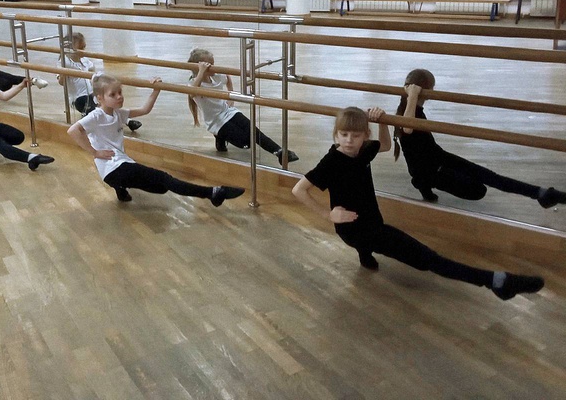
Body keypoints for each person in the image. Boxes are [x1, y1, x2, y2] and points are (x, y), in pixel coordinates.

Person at [292, 106, 545, 301]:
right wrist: (328, 215)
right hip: (356, 228)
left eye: (355, 135)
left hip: (370, 218)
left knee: (372, 241)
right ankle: (497, 282)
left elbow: (385, 145)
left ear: (364, 136)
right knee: (430, 259)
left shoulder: (362, 151)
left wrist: (382, 121)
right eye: (343, 135)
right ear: (335, 135)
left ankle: (365, 256)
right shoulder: (332, 162)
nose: (349, 140)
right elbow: (299, 190)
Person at [394, 68, 566, 208]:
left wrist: (412, 96)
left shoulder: (409, 108)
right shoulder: (407, 111)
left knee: (491, 177)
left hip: (438, 158)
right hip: (430, 170)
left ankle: (541, 193)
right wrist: (413, 96)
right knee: (478, 190)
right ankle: (422, 183)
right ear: (426, 90)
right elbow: (408, 127)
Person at [67, 73, 244, 206]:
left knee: (160, 188)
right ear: (99, 98)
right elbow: (73, 130)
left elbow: (145, 110)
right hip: (115, 168)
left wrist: (156, 90)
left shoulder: (119, 114)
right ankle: (212, 193)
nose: (119, 96)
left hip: (117, 167)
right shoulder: (97, 115)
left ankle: (120, 189)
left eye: (120, 92)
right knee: (164, 179)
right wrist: (95, 152)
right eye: (113, 95)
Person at [187, 48, 297, 164]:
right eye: (209, 65)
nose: (213, 67)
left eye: (213, 63)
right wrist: (201, 72)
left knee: (254, 131)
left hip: (228, 112)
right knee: (246, 143)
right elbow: (192, 93)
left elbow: (227, 78)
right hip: (216, 122)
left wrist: (230, 98)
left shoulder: (216, 76)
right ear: (199, 67)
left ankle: (280, 152)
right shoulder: (193, 82)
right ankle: (219, 136)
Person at [55, 31, 141, 131]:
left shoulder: (85, 60)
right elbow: (61, 82)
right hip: (78, 98)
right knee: (96, 110)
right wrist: (64, 72)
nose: (83, 50)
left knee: (108, 102)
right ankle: (95, 120)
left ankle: (128, 121)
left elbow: (94, 75)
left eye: (84, 47)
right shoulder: (64, 61)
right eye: (80, 48)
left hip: (92, 94)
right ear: (70, 48)